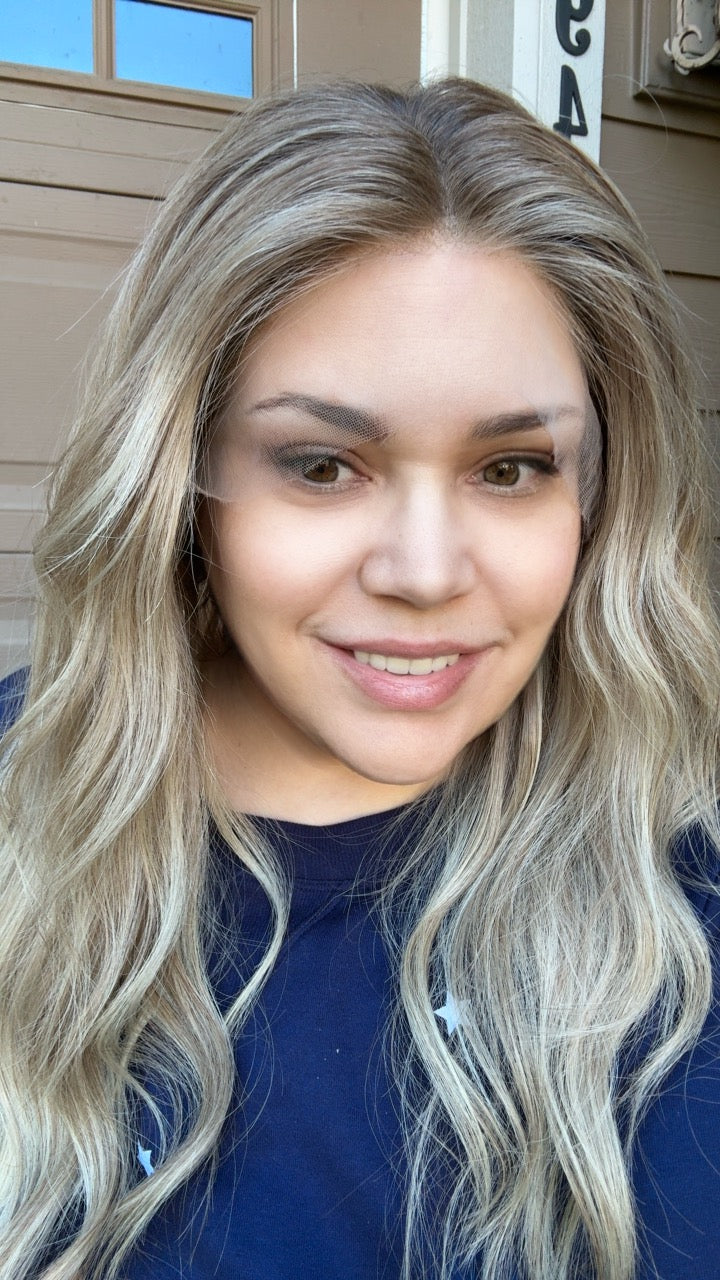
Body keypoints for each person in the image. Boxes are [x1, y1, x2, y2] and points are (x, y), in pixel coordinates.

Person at [0, 77, 718, 1280]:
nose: (425, 574)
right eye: (323, 464)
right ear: (180, 476)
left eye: (512, 467)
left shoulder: (681, 924)